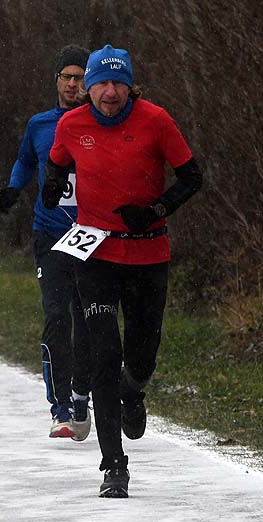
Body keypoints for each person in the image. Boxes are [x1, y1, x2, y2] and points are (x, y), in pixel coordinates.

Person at [42, 45, 202, 497]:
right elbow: (56, 163)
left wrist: (156, 208)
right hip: (95, 254)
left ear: (130, 85)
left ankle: (135, 389)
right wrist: (52, 187)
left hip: (149, 253)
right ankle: (114, 465)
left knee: (141, 355)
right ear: (87, 87)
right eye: (100, 84)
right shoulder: (72, 125)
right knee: (102, 354)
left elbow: (193, 177)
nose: (109, 92)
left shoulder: (155, 120)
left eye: (118, 83)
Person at [0, 45, 93, 441]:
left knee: (91, 319)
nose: (73, 84)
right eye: (66, 77)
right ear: (56, 80)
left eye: (80, 77)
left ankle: (83, 394)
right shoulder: (39, 125)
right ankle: (61, 408)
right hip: (50, 233)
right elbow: (24, 161)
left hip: (92, 236)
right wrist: (13, 188)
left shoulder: (100, 124)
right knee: (56, 316)